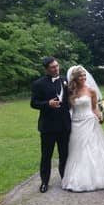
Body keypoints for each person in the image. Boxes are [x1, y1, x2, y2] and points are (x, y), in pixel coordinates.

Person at [61, 66, 104, 192]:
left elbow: (94, 108)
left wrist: (100, 115)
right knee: (77, 150)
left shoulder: (91, 91)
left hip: (89, 122)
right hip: (76, 123)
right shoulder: (70, 91)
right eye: (80, 76)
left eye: (84, 76)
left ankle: (101, 177)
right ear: (75, 78)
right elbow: (67, 108)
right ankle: (77, 178)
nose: (83, 78)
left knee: (93, 148)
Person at [30, 57, 71, 193]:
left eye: (57, 66)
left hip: (64, 125)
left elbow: (71, 99)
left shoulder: (66, 80)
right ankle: (44, 182)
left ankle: (64, 178)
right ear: (46, 69)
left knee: (64, 154)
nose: (56, 69)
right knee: (46, 155)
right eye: (53, 67)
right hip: (48, 126)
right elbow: (33, 103)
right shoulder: (38, 84)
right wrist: (47, 104)